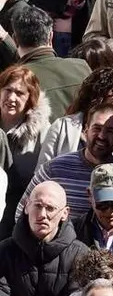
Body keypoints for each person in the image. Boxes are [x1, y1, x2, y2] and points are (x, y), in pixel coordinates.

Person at [0, 181, 88, 296]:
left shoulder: (80, 255)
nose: (42, 214)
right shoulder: (4, 251)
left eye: (50, 208)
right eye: (37, 205)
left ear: (65, 213)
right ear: (26, 206)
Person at [17, 103, 113, 226]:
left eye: (110, 131)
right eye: (97, 128)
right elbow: (23, 210)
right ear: (85, 130)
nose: (102, 136)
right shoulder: (54, 169)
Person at [0, 66, 50, 238]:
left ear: (30, 98)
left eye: (20, 93)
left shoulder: (43, 132)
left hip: (22, 214)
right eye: (8, 90)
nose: (12, 98)